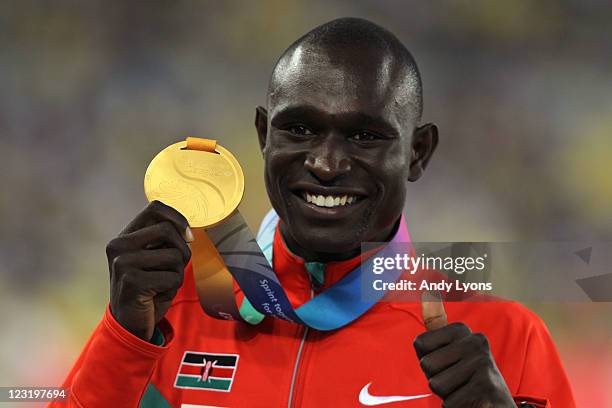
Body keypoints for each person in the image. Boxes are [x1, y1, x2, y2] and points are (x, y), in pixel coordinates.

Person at [51, 18, 575, 407]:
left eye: (366, 135)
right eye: (298, 129)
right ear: (263, 136)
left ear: (417, 153)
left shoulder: (505, 339)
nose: (325, 164)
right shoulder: (170, 309)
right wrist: (121, 340)